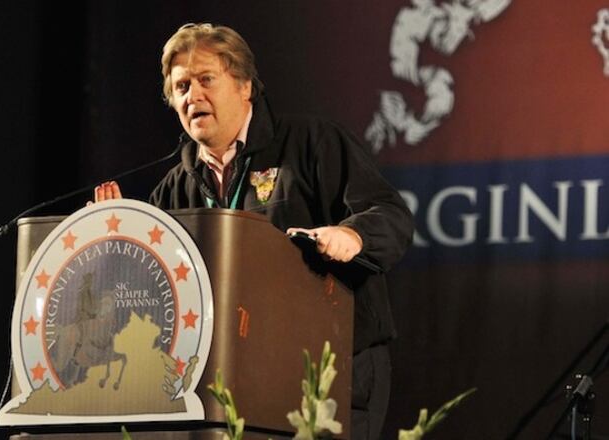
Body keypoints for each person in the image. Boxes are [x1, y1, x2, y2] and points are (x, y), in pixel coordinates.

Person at [93, 22, 413, 440]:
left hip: (335, 369)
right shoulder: (174, 188)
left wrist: (352, 236)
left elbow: (389, 213)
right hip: (233, 383)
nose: (193, 96)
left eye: (206, 79)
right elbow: (154, 288)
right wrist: (117, 242)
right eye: (182, 86)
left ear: (245, 86)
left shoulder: (311, 143)